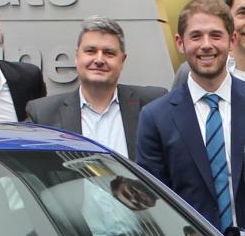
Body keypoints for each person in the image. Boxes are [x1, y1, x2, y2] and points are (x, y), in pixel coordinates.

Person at [137, 0, 245, 236]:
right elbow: (153, 204)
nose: (206, 45)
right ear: (180, 43)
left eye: (215, 35)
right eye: (196, 36)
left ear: (231, 40)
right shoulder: (156, 117)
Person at [24, 15, 164, 160]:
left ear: (122, 60)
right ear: (77, 56)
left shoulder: (152, 103)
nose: (99, 60)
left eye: (109, 53)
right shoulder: (43, 115)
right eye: (90, 51)